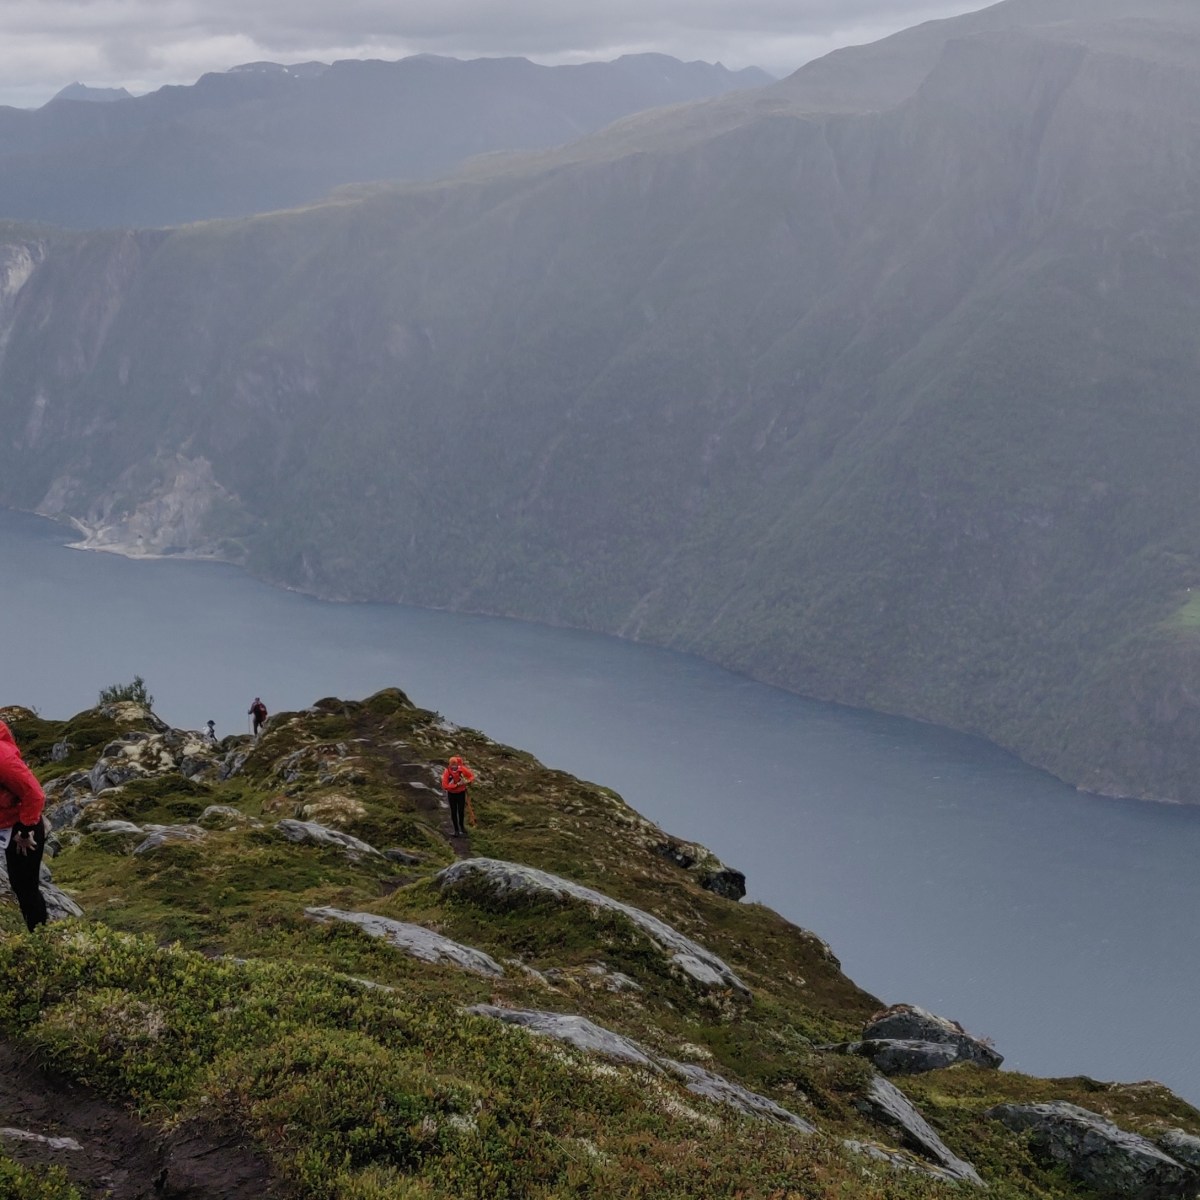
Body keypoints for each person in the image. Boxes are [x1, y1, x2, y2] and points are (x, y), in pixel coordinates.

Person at [0, 720, 47, 932]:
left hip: (21, 830)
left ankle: (40, 941)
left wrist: (25, 830)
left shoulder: (3, 758)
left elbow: (35, 794)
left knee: (25, 889)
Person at [441, 755, 476, 837]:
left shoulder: (462, 769)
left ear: (457, 764)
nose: (454, 767)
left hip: (461, 793)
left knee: (460, 811)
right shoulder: (447, 772)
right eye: (452, 765)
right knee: (453, 812)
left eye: (455, 765)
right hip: (451, 794)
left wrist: (467, 781)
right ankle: (456, 830)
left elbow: (471, 776)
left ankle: (462, 827)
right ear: (449, 765)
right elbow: (445, 786)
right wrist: (456, 785)